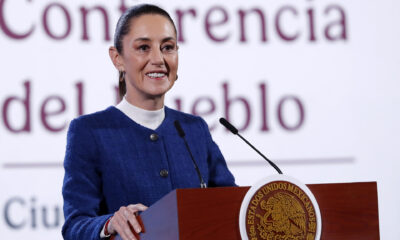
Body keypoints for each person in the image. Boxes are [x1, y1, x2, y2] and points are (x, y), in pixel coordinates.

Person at [61, 4, 236, 240]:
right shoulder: (90, 131)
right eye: (143, 47)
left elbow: (232, 207)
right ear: (117, 58)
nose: (158, 59)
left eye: (168, 47)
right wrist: (110, 223)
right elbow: (75, 227)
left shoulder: (194, 129)